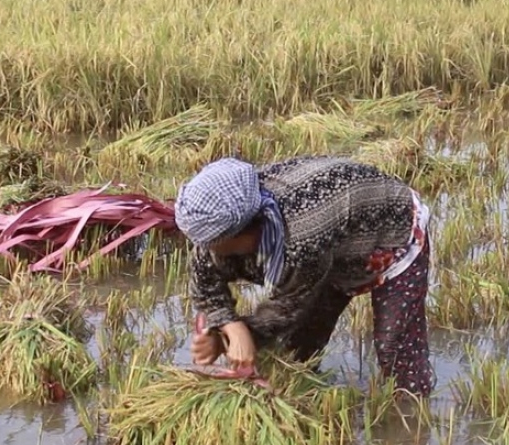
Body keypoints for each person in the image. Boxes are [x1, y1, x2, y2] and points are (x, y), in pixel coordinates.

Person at [173, 155, 436, 397]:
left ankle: (411, 412)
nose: (206, 249)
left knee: (394, 345)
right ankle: (305, 397)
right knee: (297, 348)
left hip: (392, 230)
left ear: (245, 232)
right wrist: (228, 325)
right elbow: (204, 279)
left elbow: (287, 309)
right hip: (333, 242)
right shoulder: (226, 218)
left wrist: (231, 340)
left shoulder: (302, 238)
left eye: (213, 244)